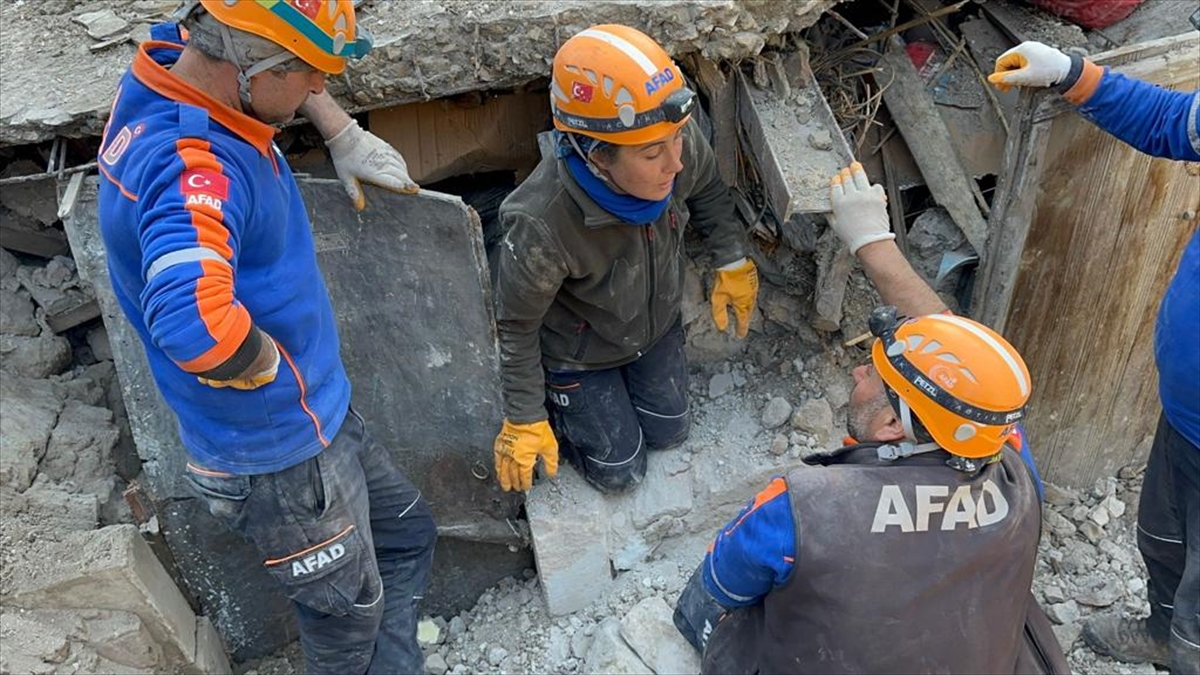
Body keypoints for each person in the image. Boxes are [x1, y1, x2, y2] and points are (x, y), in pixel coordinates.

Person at [96, 2, 435, 672]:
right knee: (345, 620)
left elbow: (272, 57)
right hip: (281, 455)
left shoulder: (175, 61)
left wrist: (338, 130)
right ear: (246, 65)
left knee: (406, 536)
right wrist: (268, 362)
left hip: (317, 417)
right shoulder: (195, 168)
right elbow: (194, 325)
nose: (315, 87)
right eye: (305, 74)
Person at [672, 162, 1068, 674]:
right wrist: (873, 244)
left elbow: (719, 585)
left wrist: (701, 621)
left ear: (891, 428)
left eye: (875, 377)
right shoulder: (1014, 468)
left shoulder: (804, 509)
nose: (860, 371)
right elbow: (963, 366)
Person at [990, 40, 1200, 674]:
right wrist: (1073, 75)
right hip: (1186, 413)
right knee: (1163, 536)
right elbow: (1172, 123)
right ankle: (1167, 633)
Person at [491, 24, 758, 494]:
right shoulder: (542, 224)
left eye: (676, 140)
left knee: (670, 431)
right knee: (621, 472)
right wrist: (524, 414)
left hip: (652, 330)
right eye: (653, 153)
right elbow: (515, 325)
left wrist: (731, 258)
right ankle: (564, 408)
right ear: (596, 156)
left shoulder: (667, 132)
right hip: (580, 355)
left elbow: (711, 192)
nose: (674, 162)